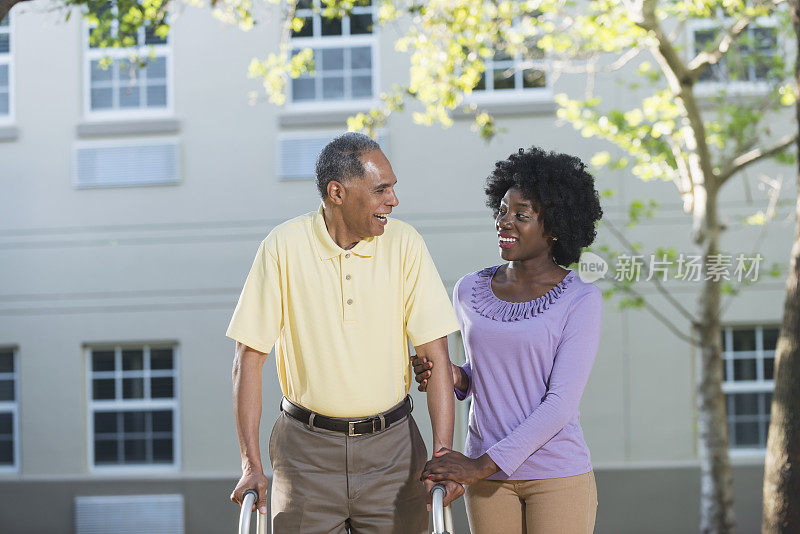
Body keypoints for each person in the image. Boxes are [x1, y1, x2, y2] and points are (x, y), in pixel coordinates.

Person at [226, 132, 464, 533]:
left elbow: (436, 354)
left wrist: (443, 454)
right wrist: (251, 465)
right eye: (380, 189)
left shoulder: (405, 244)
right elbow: (248, 359)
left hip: (393, 453)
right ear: (337, 192)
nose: (393, 200)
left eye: (393, 188)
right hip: (305, 455)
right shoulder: (283, 247)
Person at [414, 146, 604, 533]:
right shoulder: (470, 290)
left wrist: (477, 465)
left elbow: (560, 405)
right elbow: (488, 372)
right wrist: (454, 376)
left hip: (555, 474)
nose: (505, 222)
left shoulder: (580, 297)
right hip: (487, 483)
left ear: (554, 228)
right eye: (502, 210)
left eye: (522, 215)